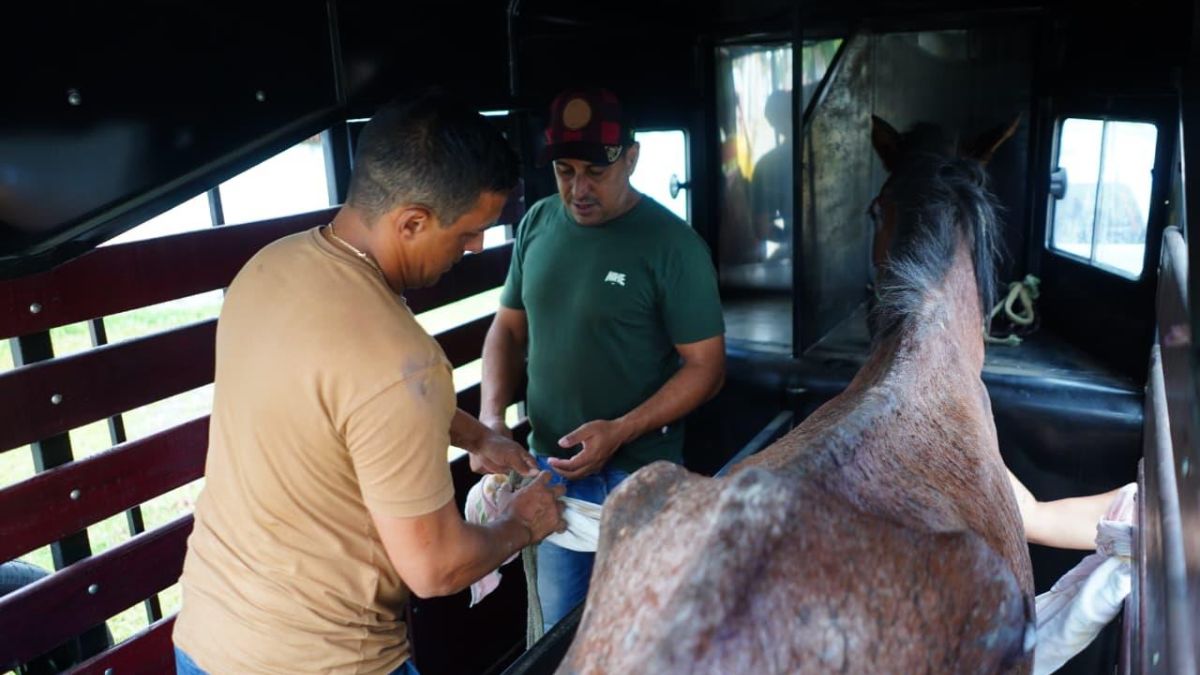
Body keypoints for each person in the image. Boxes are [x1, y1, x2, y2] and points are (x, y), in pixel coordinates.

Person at [173, 92, 567, 675]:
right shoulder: (400, 358)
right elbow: (436, 568)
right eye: (469, 231)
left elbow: (340, 400)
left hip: (207, 638)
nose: (477, 246)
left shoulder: (267, 268)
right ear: (412, 221)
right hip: (322, 661)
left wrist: (477, 437)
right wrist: (522, 524)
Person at [480, 87, 727, 631]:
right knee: (559, 635)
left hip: (638, 477)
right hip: (551, 473)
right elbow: (508, 328)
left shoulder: (673, 246)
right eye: (565, 171)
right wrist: (491, 419)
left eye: (596, 172)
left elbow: (706, 369)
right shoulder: (538, 223)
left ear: (631, 159)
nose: (579, 189)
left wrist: (620, 430)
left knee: (642, 631)